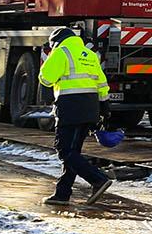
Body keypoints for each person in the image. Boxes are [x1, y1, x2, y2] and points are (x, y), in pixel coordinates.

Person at [39, 26, 113, 206]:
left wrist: (50, 59)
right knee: (73, 152)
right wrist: (104, 108)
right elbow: (102, 84)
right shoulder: (90, 55)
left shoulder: (61, 52)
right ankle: (62, 194)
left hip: (70, 106)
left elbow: (46, 78)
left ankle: (98, 179)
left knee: (64, 150)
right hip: (91, 108)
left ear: (55, 42)